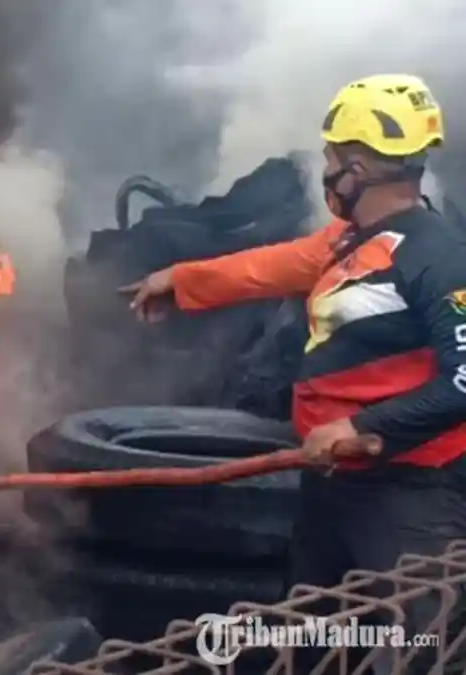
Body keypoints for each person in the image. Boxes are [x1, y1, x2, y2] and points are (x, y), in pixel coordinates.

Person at [123, 74, 466, 668]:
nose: (326, 173)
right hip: (332, 482)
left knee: (416, 648)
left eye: (332, 161)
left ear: (359, 168)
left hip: (408, 498)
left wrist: (365, 427)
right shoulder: (351, 242)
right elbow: (274, 266)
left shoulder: (436, 258)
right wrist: (181, 280)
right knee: (316, 638)